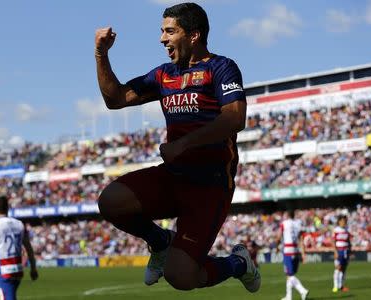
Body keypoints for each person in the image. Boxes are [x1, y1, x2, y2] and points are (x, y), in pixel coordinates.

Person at [95, 2, 260, 292]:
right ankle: (160, 242)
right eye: (162, 31)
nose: (162, 39)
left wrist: (183, 144)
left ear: (193, 35)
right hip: (173, 177)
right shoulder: (163, 75)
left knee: (181, 278)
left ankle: (239, 263)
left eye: (170, 31)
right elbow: (116, 99)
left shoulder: (221, 68)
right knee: (110, 201)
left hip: (210, 185)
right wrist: (101, 54)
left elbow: (235, 117)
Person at [276, 210, 309, 300]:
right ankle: (288, 296)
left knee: (290, 275)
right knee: (290, 274)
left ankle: (303, 291)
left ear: (287, 215)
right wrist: (303, 253)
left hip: (288, 250)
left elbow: (279, 236)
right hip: (296, 250)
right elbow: (301, 239)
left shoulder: (285, 223)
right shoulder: (298, 224)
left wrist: (277, 246)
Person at [332, 215, 351, 293]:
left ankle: (341, 286)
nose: (344, 222)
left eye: (345, 221)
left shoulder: (346, 230)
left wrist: (350, 251)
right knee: (338, 268)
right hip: (339, 251)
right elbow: (333, 242)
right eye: (343, 221)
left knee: (344, 269)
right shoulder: (336, 230)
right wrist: (335, 251)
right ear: (339, 221)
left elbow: (348, 241)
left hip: (346, 251)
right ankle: (335, 286)